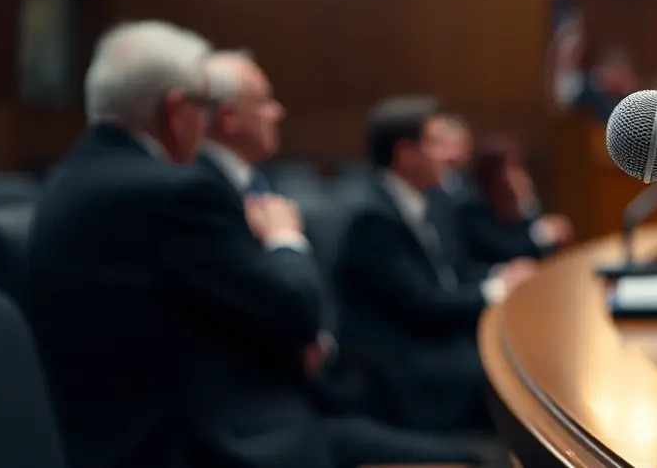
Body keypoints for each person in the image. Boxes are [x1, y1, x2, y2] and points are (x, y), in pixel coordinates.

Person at [26, 22, 331, 468]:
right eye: (202, 105)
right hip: (174, 444)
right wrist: (286, 238)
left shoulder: (71, 176)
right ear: (174, 110)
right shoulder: (175, 194)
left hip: (94, 432)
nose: (205, 122)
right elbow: (296, 311)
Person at [197, 52, 484, 466]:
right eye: (264, 101)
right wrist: (285, 242)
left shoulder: (246, 188)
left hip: (304, 394)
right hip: (301, 405)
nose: (278, 112)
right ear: (227, 117)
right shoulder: (210, 197)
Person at [333, 97, 535, 434]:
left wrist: (499, 274)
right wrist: (497, 289)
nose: (449, 155)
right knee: (513, 372)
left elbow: (453, 271)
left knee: (523, 351)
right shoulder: (371, 217)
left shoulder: (430, 199)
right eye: (435, 143)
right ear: (405, 153)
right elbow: (420, 304)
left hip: (436, 334)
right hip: (402, 358)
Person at [455, 134, 574, 264]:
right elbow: (505, 250)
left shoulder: (520, 199)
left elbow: (531, 232)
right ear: (492, 176)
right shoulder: (473, 210)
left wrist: (529, 204)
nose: (522, 175)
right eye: (513, 168)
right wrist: (540, 234)